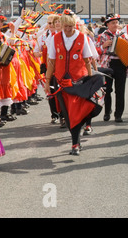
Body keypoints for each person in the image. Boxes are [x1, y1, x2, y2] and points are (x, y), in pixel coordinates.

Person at [44, 10, 103, 155]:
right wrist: (47, 81)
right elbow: (51, 61)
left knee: (76, 112)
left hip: (79, 81)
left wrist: (90, 80)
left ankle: (75, 144)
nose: (68, 30)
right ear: (61, 25)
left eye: (70, 27)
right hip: (61, 82)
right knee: (68, 114)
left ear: (74, 25)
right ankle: (76, 141)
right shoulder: (55, 38)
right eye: (65, 27)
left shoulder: (82, 37)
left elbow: (87, 60)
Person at [96, 13, 128, 123]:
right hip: (107, 64)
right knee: (107, 90)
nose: (115, 25)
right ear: (107, 24)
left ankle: (118, 114)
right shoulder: (102, 36)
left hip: (120, 64)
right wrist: (103, 45)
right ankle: (107, 112)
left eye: (116, 22)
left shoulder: (124, 35)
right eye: (112, 23)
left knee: (120, 91)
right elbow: (96, 52)